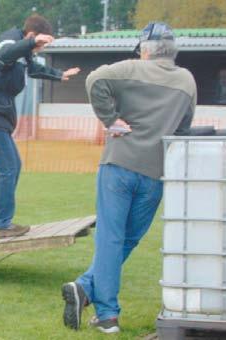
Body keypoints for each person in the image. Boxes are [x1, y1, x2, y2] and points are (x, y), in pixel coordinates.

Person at [61, 22, 196, 334]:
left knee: (110, 238)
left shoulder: (130, 68)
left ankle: (104, 311)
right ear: (172, 49)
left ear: (145, 49)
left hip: (118, 164)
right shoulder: (187, 81)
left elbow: (94, 79)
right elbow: (186, 127)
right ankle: (88, 293)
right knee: (129, 239)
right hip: (156, 172)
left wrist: (110, 119)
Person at [0, 14, 80, 239]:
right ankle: (0, 224)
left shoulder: (23, 55)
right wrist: (32, 43)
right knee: (8, 169)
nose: (40, 49)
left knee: (13, 166)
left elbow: (33, 69)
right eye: (41, 44)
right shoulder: (9, 44)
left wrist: (59, 74)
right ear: (31, 35)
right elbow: (5, 54)